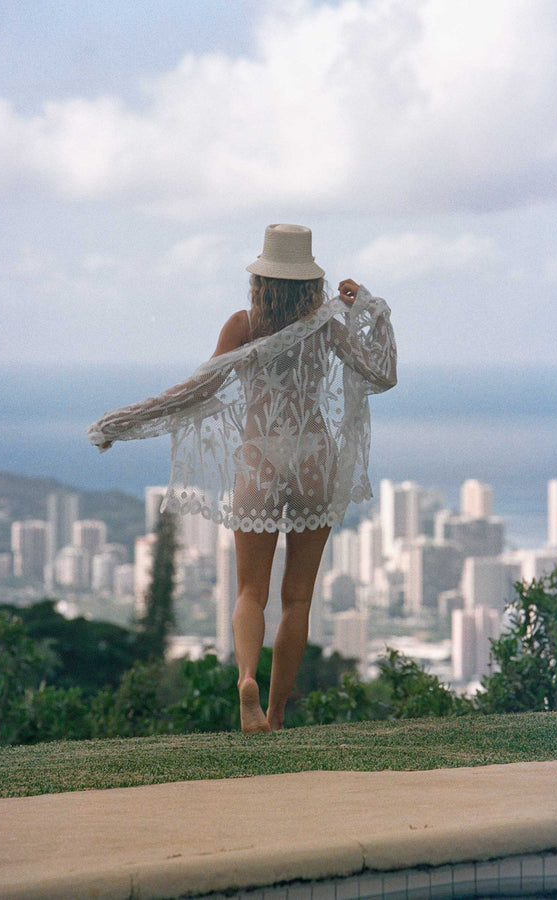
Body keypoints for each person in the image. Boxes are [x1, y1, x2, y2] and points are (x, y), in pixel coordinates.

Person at [87, 223, 397, 733]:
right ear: (309, 280)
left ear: (261, 277)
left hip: (259, 460)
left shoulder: (242, 325)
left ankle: (247, 681)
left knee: (250, 591)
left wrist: (119, 424)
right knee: (297, 597)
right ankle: (276, 715)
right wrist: (368, 306)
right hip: (314, 458)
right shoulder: (326, 325)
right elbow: (381, 374)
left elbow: (194, 389)